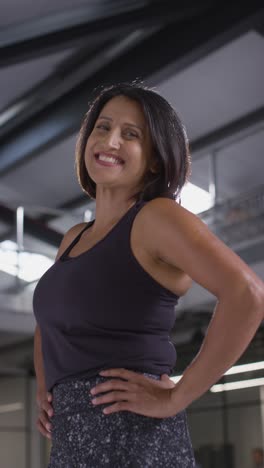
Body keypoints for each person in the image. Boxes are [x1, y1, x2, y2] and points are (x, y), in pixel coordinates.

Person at [33, 82, 264, 468]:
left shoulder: (156, 218)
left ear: (155, 159)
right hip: (70, 440)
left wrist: (178, 396)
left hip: (133, 437)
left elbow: (247, 294)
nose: (110, 140)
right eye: (102, 127)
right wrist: (46, 387)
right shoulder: (74, 238)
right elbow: (49, 322)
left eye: (131, 134)